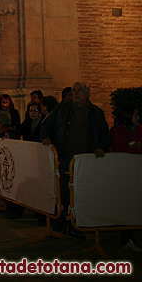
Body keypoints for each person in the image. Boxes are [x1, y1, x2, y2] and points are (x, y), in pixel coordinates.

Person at [40, 82, 110, 238]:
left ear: (87, 94)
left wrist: (101, 147)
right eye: (74, 90)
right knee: (64, 190)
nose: (76, 93)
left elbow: (104, 132)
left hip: (86, 159)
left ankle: (79, 224)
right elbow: (48, 125)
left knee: (82, 192)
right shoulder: (62, 109)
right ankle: (62, 223)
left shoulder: (96, 112)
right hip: (66, 157)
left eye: (80, 90)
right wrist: (45, 137)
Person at [110, 106, 142, 252]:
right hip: (123, 173)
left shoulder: (139, 129)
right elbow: (120, 148)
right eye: (135, 114)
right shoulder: (117, 130)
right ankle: (126, 237)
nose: (138, 117)